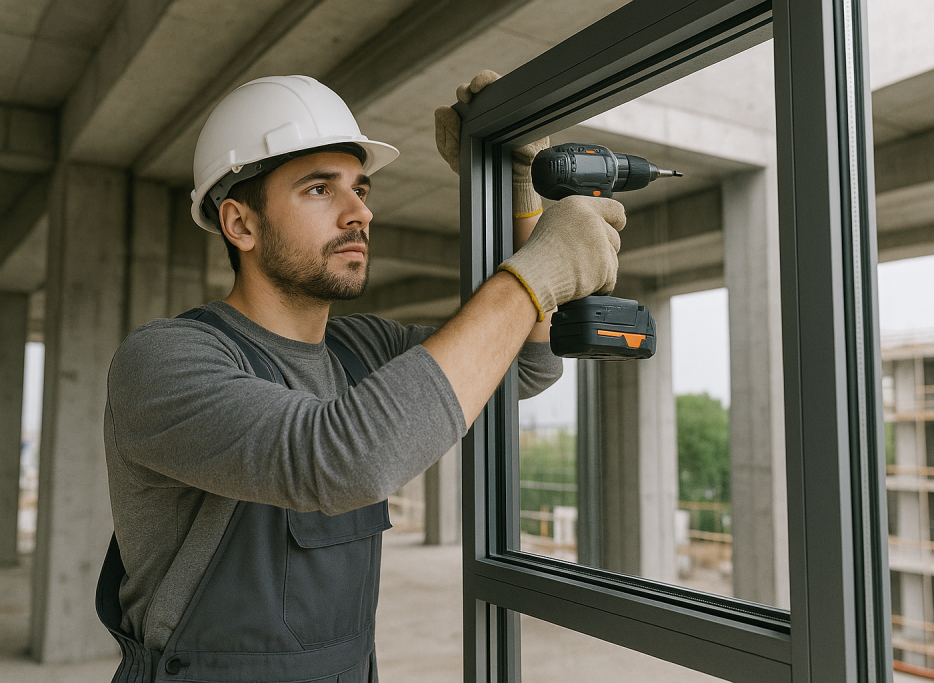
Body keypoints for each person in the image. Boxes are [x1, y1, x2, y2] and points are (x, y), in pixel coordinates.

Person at [97, 73, 625, 682]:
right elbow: (341, 459)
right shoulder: (164, 361)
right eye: (320, 189)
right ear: (239, 224)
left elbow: (526, 364)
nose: (361, 212)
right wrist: (532, 276)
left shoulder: (362, 348)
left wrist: (519, 204)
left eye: (361, 187)